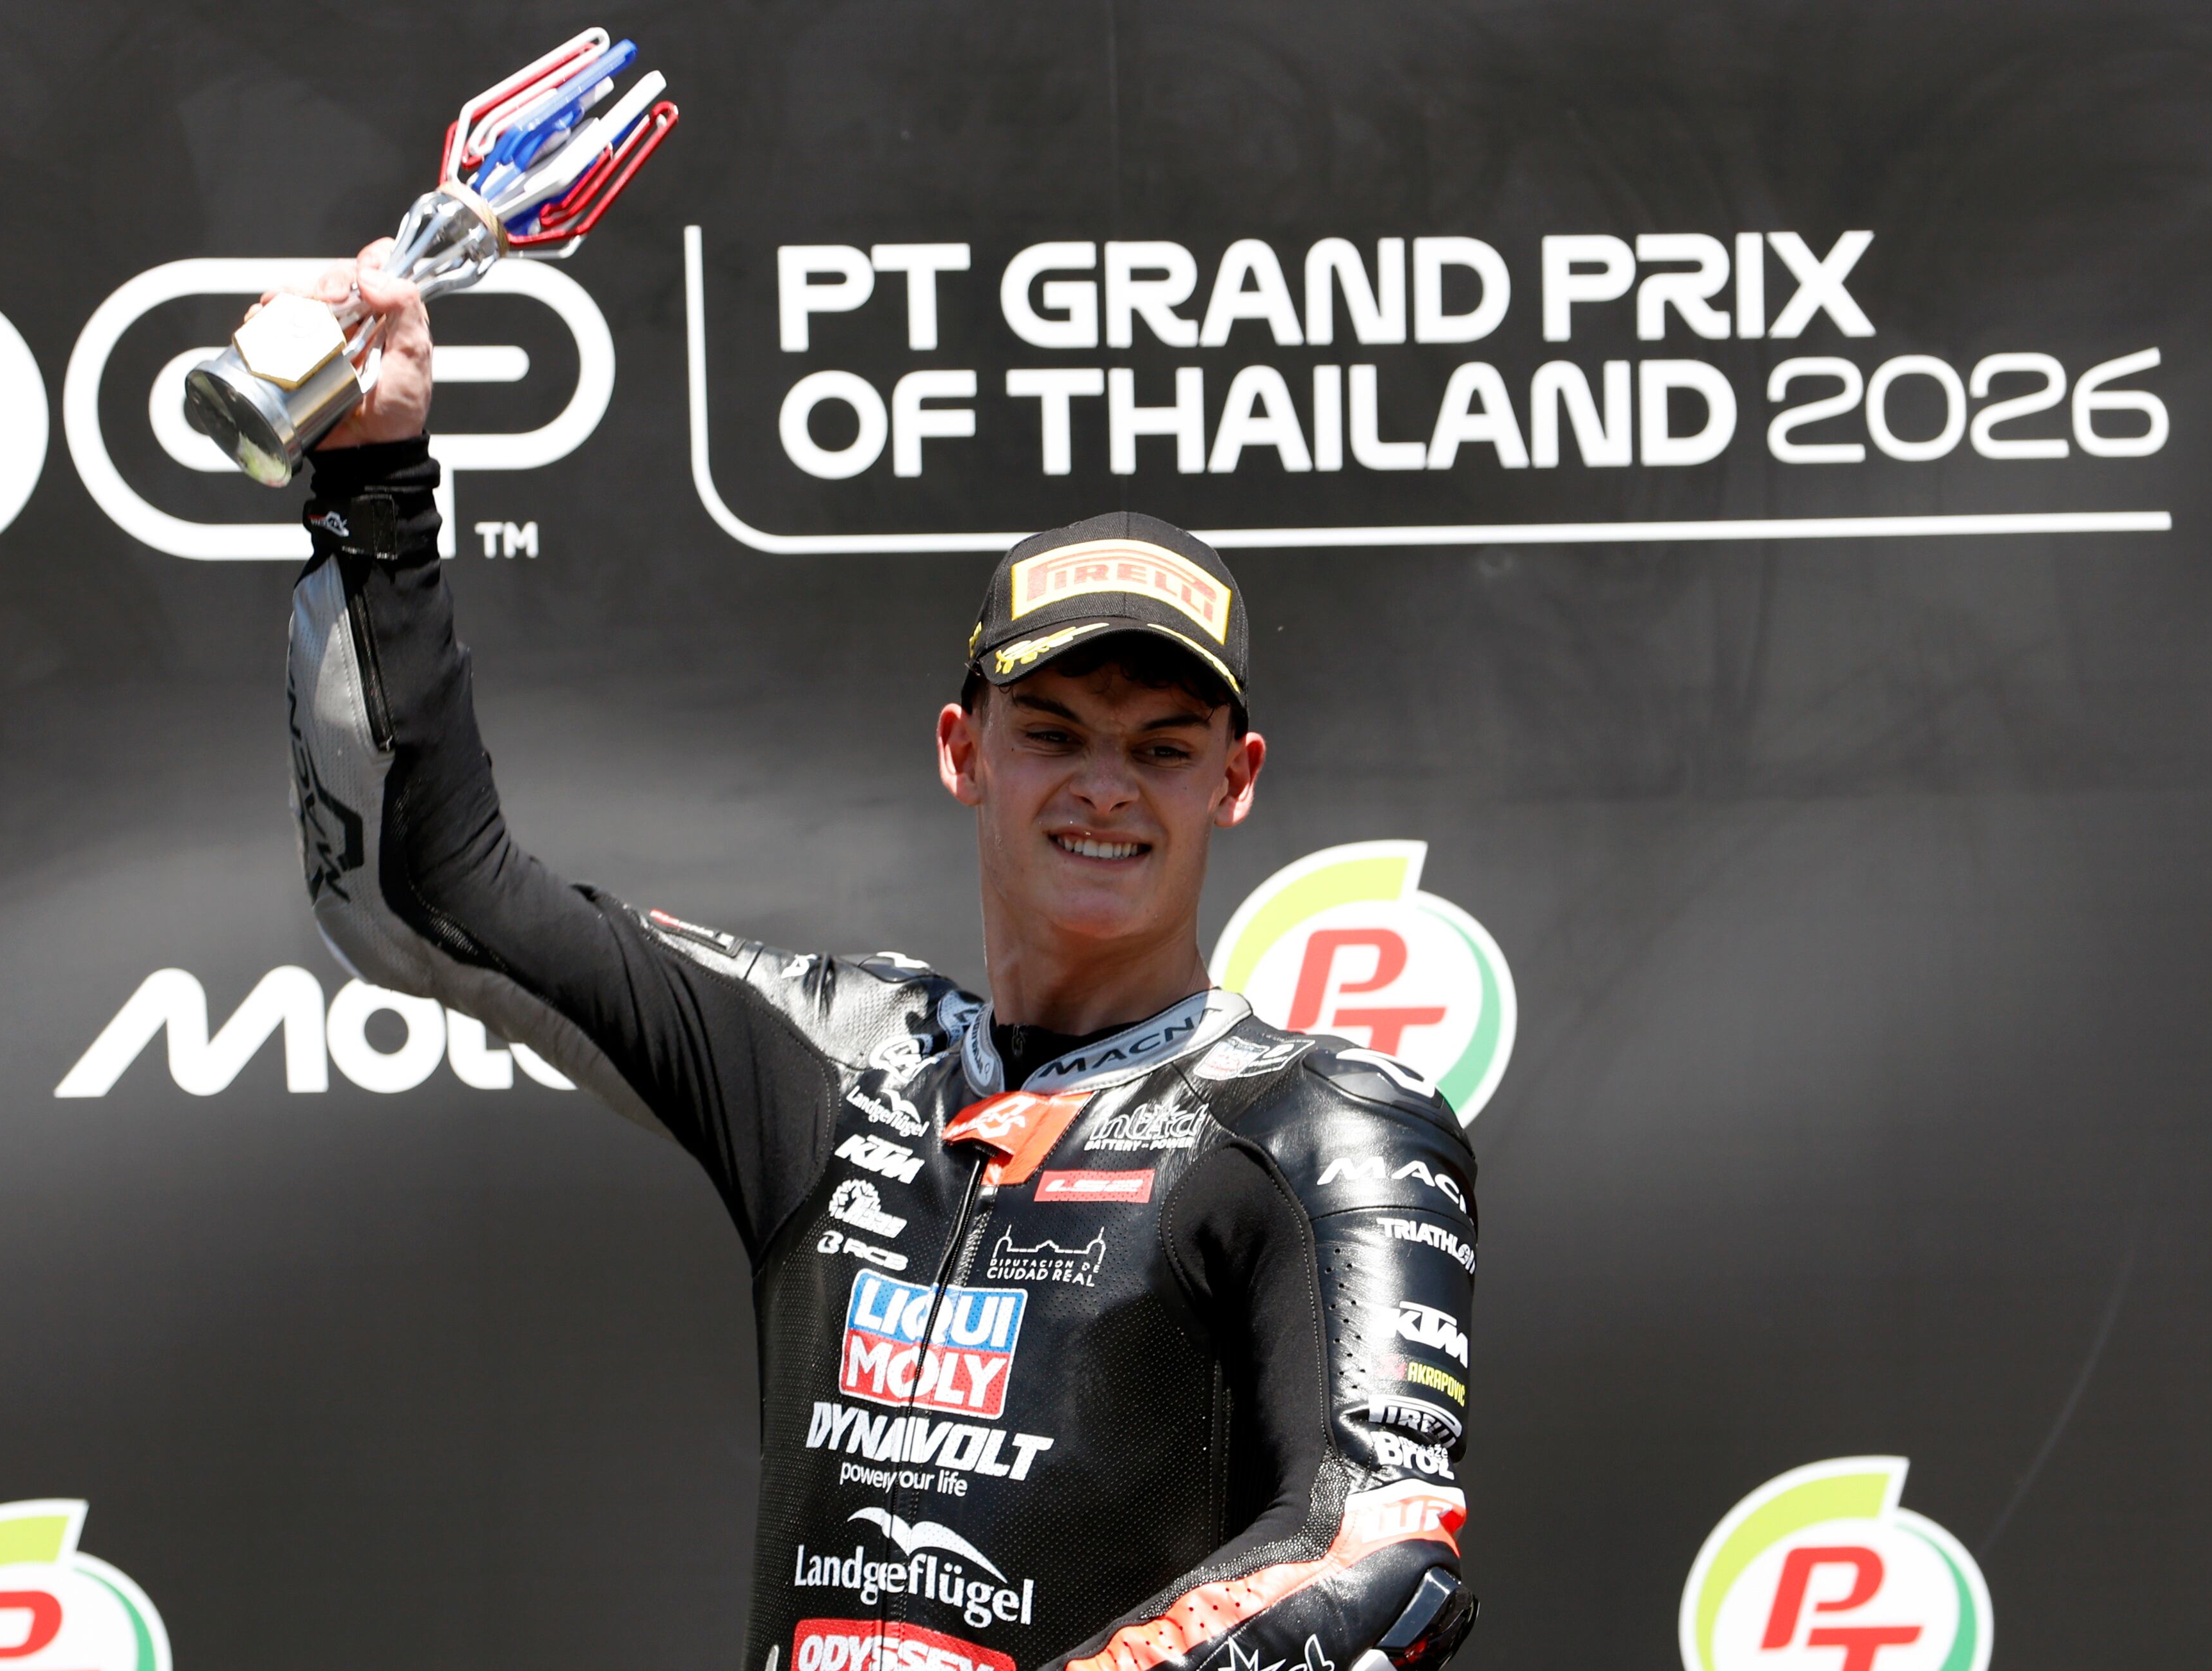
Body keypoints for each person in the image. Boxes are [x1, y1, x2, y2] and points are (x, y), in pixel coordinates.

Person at [275, 243, 1480, 1671]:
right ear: (962, 751)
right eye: (1055, 736)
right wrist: (375, 478)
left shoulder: (1316, 1120)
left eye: (1163, 749)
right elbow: (423, 892)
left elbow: (1383, 1546)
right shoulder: (834, 1061)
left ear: (1235, 781)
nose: (1107, 789)